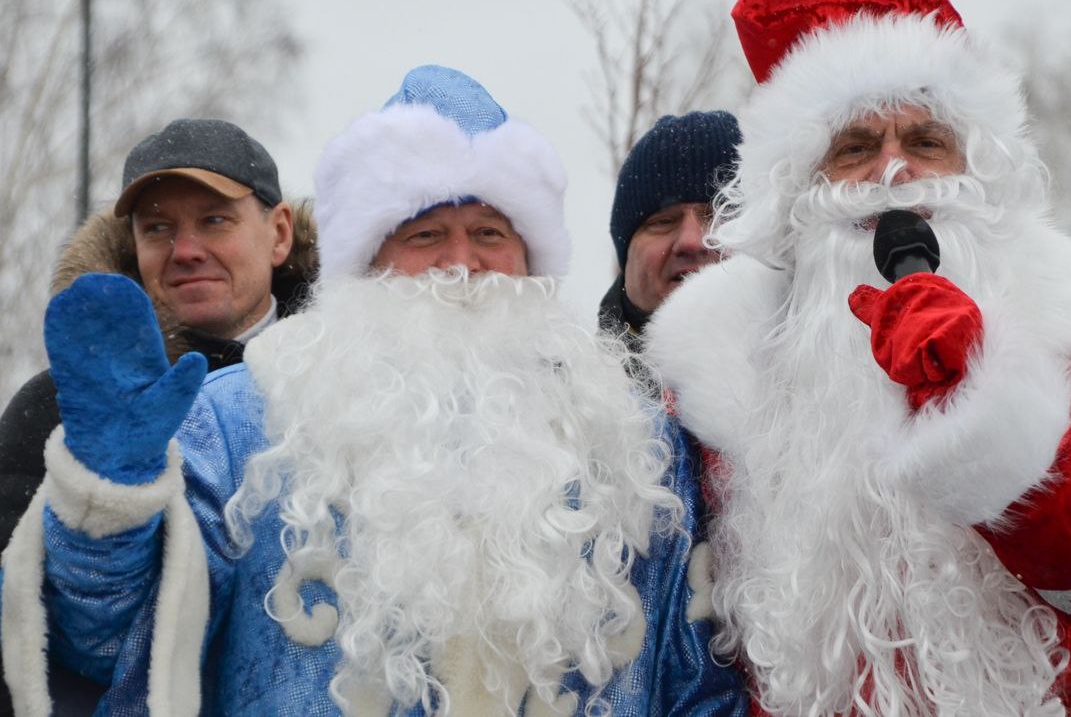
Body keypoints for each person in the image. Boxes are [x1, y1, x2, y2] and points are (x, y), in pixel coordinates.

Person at [2, 66, 746, 715]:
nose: (462, 263)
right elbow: (104, 640)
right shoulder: (236, 422)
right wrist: (107, 502)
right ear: (369, 262)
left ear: (529, 257)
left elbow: (697, 688)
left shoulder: (634, 442)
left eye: (490, 233)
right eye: (424, 235)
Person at [644, 0, 1071, 715]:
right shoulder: (714, 368)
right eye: (856, 146)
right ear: (801, 181)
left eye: (926, 141)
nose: (894, 171)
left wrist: (996, 425)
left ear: (977, 163)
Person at [0, 118, 312, 716]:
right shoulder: (58, 404)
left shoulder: (359, 391)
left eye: (214, 220)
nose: (185, 250)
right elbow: (24, 618)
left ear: (278, 234)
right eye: (157, 229)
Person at [599, 111, 740, 360]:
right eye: (663, 221)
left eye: (719, 217)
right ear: (625, 256)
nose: (692, 241)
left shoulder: (825, 391)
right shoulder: (562, 395)